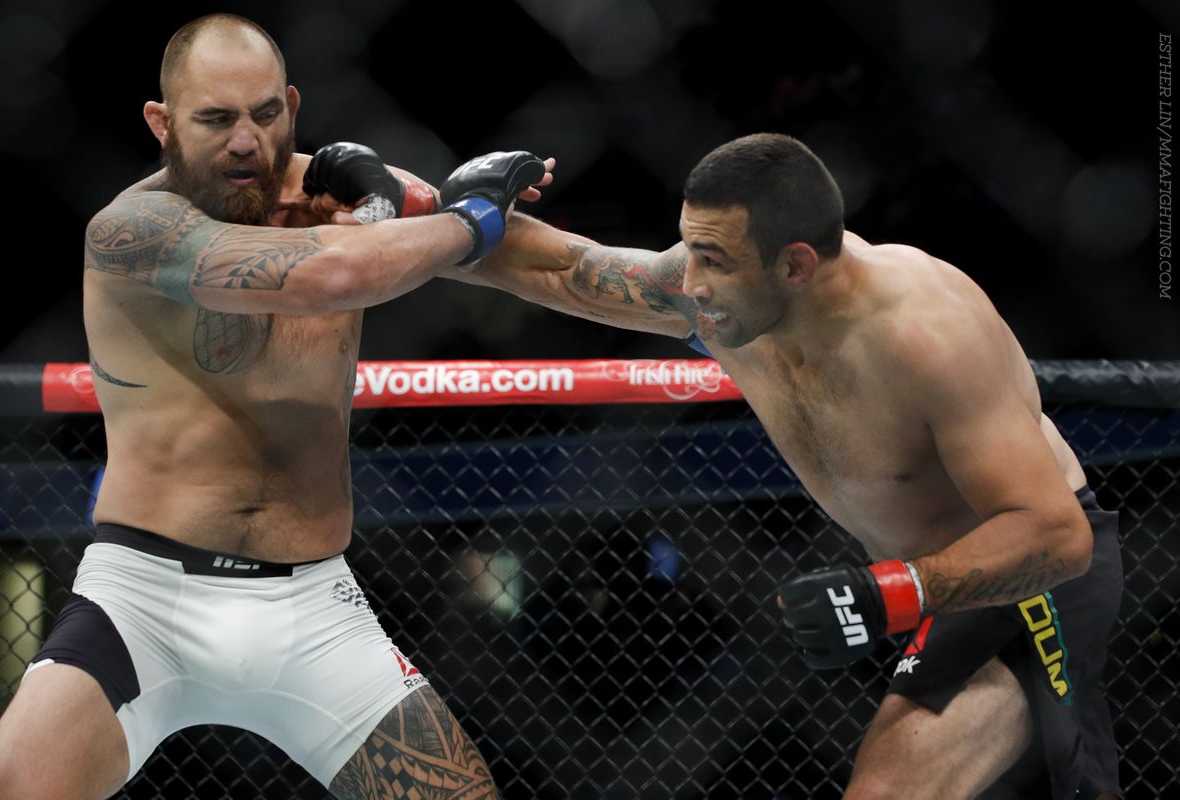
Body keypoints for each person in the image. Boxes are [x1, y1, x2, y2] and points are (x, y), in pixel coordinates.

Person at [440, 133, 1123, 798]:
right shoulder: (717, 302)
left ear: (795, 266)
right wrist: (435, 216)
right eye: (690, 249)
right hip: (928, 589)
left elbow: (1058, 536)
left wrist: (886, 594)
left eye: (714, 260)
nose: (690, 282)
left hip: (1029, 576)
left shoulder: (927, 334)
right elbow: (563, 267)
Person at [0, 13, 551, 800]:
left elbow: (558, 265)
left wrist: (688, 293)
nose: (246, 141)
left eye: (264, 114)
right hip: (144, 598)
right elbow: (330, 275)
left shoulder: (351, 197)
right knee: (15, 784)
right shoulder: (132, 228)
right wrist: (470, 217)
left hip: (310, 607)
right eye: (216, 119)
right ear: (162, 123)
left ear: (292, 105)